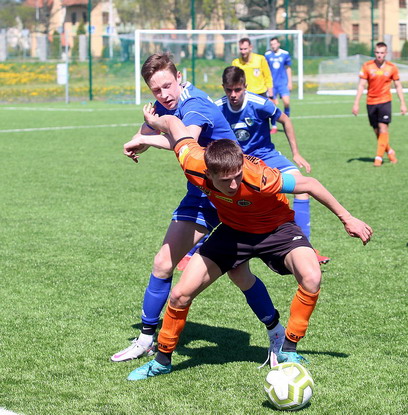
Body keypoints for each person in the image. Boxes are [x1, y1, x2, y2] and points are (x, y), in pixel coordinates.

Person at [123, 109, 373, 380]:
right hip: (233, 231)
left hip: (276, 229)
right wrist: (153, 124)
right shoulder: (192, 161)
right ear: (209, 173)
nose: (233, 185)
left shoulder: (260, 177)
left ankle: (288, 349)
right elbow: (173, 122)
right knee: (180, 295)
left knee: (312, 277)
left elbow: (310, 184)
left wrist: (348, 218)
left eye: (237, 176)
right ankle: (162, 361)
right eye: (225, 180)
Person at [112, 53, 285, 365]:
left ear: (180, 78)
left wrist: (146, 138)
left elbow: (186, 143)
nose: (164, 94)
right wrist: (141, 137)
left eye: (167, 86)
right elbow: (151, 129)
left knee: (238, 273)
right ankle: (147, 339)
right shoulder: (166, 104)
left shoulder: (195, 105)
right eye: (155, 90)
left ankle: (276, 332)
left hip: (230, 194)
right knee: (164, 263)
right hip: (201, 193)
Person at [216, 66, 329, 265]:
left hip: (267, 157)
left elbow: (285, 120)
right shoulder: (217, 107)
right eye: (229, 90)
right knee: (216, 194)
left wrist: (296, 153)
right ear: (223, 87)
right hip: (238, 162)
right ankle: (199, 249)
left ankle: (307, 247)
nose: (233, 95)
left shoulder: (260, 103)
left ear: (245, 86)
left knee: (302, 188)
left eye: (237, 89)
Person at [352, 41, 408, 167]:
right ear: (374, 52)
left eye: (382, 53)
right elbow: (361, 85)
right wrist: (356, 103)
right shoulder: (367, 66)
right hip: (371, 102)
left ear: (386, 53)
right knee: (377, 131)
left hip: (385, 101)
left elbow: (398, 86)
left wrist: (403, 103)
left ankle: (378, 157)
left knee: (383, 128)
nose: (379, 55)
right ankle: (389, 151)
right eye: (377, 52)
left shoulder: (392, 67)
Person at [265, 37, 293, 134]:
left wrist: (290, 82)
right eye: (271, 44)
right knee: (272, 105)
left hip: (282, 83)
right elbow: (265, 69)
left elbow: (288, 68)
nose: (273, 46)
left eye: (275, 44)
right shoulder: (267, 55)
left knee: (286, 102)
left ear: (278, 44)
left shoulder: (285, 54)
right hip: (272, 84)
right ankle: (274, 126)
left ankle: (286, 121)